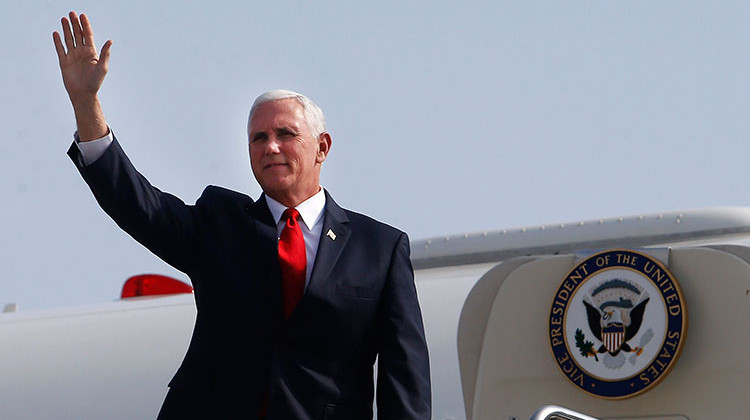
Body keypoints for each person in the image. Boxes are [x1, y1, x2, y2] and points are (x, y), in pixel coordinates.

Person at [53, 11, 431, 420]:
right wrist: (85, 103)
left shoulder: (380, 248)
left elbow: (404, 379)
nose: (271, 147)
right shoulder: (219, 225)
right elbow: (136, 203)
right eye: (259, 138)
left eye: (285, 134)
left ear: (322, 147)